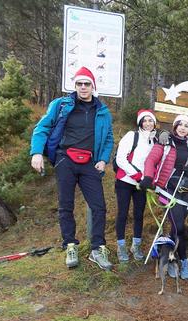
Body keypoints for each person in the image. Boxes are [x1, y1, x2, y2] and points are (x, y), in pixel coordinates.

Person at [30, 66, 114, 270]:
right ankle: (70, 245)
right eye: (79, 84)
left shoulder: (102, 111)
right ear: (75, 85)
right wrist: (37, 152)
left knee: (99, 206)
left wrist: (103, 159)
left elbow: (109, 138)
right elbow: (42, 127)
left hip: (90, 163)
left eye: (87, 84)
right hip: (64, 159)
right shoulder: (61, 105)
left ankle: (97, 248)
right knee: (65, 205)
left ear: (93, 87)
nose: (83, 87)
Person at [140, 114, 188, 280]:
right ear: (175, 127)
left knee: (177, 228)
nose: (182, 128)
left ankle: (178, 260)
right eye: (179, 124)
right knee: (179, 227)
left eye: (186, 126)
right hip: (168, 191)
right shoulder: (165, 142)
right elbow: (151, 160)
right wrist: (148, 177)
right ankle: (180, 261)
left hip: (185, 191)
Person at [114, 109, 157, 262]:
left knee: (139, 214)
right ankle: (121, 247)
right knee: (123, 214)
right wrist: (137, 175)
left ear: (154, 123)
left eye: (150, 120)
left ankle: (136, 245)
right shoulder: (132, 136)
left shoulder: (154, 141)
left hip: (142, 185)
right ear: (140, 122)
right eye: (144, 121)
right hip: (125, 181)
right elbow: (121, 159)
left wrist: (148, 179)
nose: (147, 123)